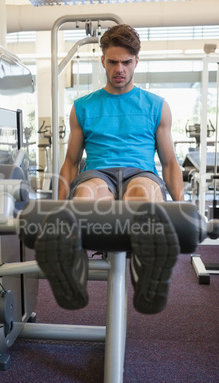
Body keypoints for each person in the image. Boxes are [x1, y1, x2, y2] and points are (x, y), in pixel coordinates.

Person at [35, 24, 184, 314]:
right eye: (113, 61)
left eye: (126, 62)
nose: (119, 69)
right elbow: (71, 162)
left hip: (140, 172)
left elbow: (169, 164)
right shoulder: (82, 107)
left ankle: (147, 274)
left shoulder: (157, 106)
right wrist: (57, 206)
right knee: (87, 194)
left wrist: (181, 209)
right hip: (98, 173)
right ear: (102, 60)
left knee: (142, 194)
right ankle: (71, 268)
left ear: (136, 62)